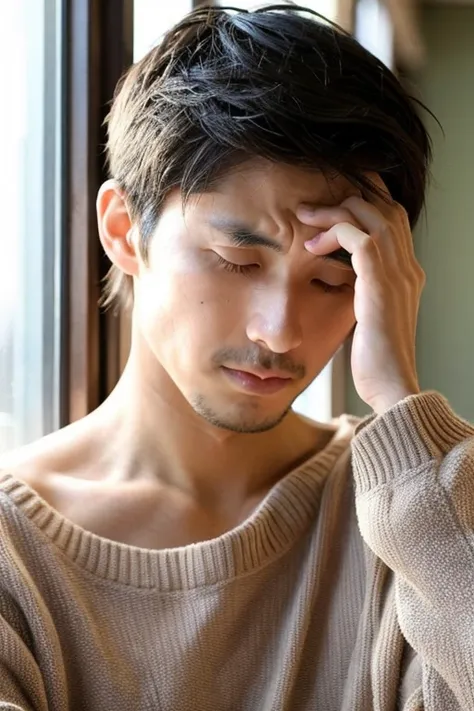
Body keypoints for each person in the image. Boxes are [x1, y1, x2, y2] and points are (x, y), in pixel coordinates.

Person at [0, 4, 472, 710]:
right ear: (126, 233)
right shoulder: (15, 559)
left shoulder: (415, 516)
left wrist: (400, 400)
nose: (280, 331)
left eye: (332, 277)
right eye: (234, 260)